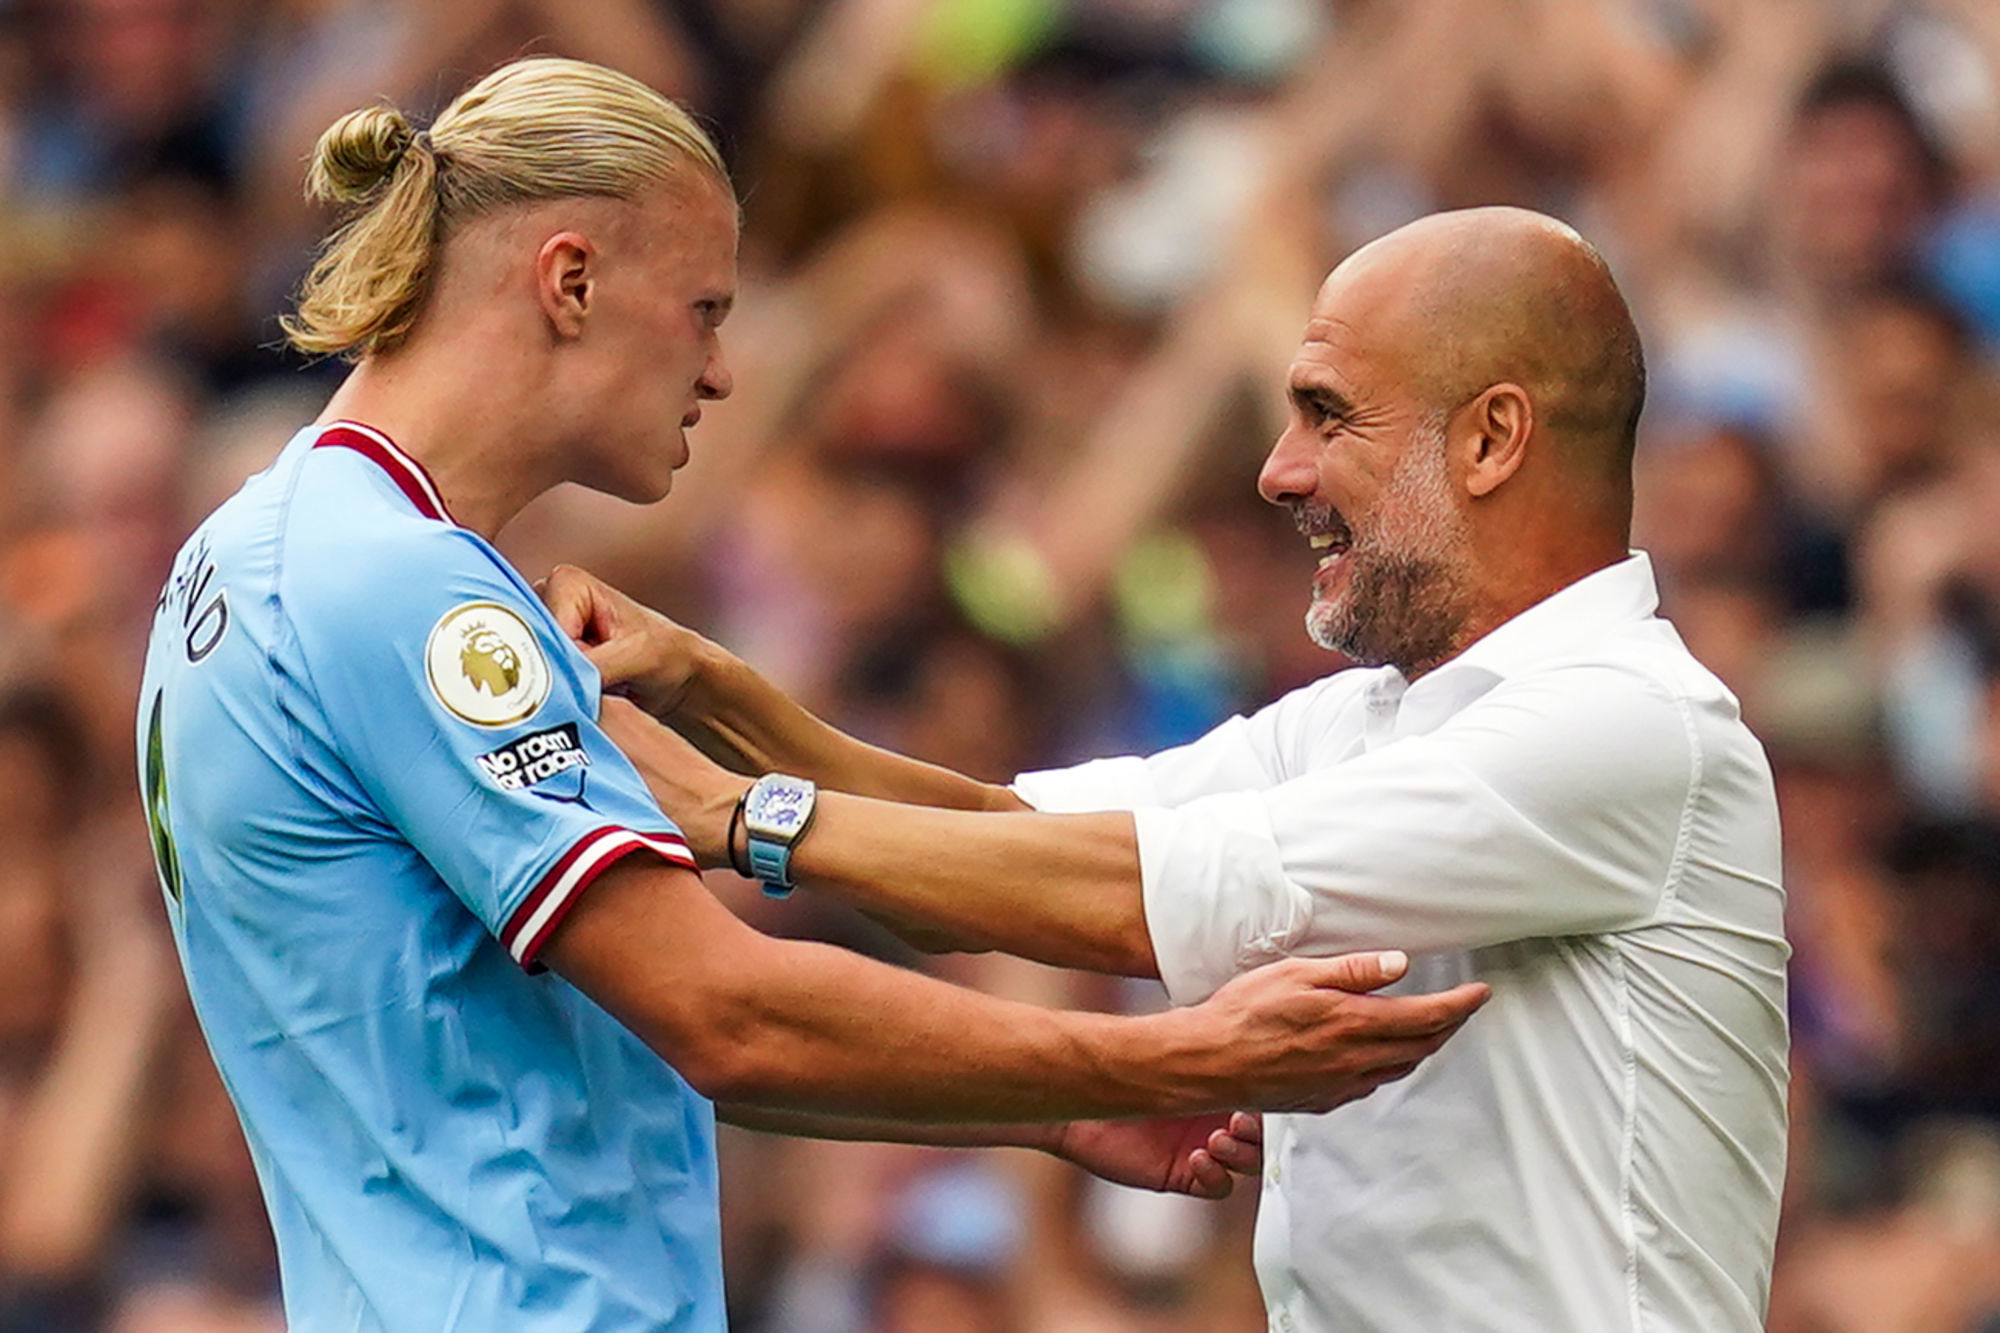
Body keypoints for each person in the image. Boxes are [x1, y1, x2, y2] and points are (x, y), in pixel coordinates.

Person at [133, 58, 1492, 1333]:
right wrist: (1167, 1058)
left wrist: (1042, 1108)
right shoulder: (410, 592)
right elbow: (726, 1013)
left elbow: (615, 1041)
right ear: (570, 280)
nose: (724, 372)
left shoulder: (241, 556)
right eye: (706, 311)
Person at [557, 206, 1792, 1332]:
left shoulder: (1628, 725)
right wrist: (711, 691)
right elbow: (1001, 834)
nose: (1277, 469)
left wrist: (742, 815)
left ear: (1489, 438)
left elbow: (1128, 897)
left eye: (1327, 415)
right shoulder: (1363, 719)